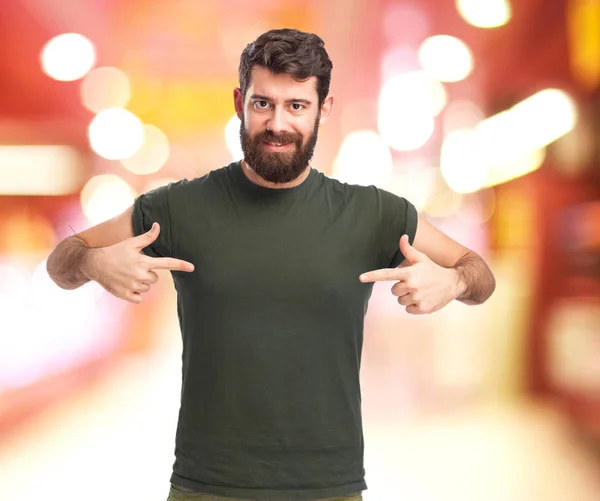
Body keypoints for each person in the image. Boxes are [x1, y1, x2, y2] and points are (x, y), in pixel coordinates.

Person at [46, 28, 495, 501]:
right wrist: (95, 264)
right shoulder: (179, 208)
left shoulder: (373, 214)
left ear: (324, 108)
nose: (278, 123)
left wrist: (451, 282)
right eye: (264, 103)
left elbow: (478, 273)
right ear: (240, 102)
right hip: (207, 487)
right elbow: (62, 260)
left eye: (297, 106)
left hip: (329, 487)